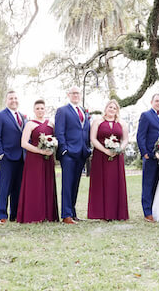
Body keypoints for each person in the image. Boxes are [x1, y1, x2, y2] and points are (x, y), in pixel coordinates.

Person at [16, 99, 59, 223]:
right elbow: (23, 143)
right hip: (34, 158)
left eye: (42, 108)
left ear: (45, 109)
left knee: (47, 183)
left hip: (48, 159)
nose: (40, 110)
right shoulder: (30, 124)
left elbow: (55, 140)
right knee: (35, 185)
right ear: (34, 110)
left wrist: (52, 149)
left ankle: (48, 215)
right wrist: (40, 151)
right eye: (38, 108)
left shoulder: (51, 124)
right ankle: (33, 215)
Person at [55, 86, 92, 224]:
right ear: (68, 94)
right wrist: (64, 149)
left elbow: (86, 130)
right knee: (67, 184)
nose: (76, 95)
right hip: (69, 153)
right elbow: (59, 131)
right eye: (73, 93)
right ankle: (66, 215)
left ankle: (73, 212)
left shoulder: (83, 111)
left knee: (75, 184)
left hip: (82, 152)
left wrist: (88, 148)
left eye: (77, 93)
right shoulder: (62, 111)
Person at [88, 100, 129, 221]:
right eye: (110, 107)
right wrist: (105, 151)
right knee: (100, 182)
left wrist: (119, 149)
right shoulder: (97, 122)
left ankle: (117, 213)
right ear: (105, 108)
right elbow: (93, 139)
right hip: (100, 156)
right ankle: (100, 213)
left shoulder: (122, 123)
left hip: (117, 157)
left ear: (117, 110)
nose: (112, 109)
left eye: (114, 108)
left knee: (115, 182)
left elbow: (125, 139)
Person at [0, 91, 26, 224]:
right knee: (5, 187)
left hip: (21, 157)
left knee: (18, 187)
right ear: (6, 100)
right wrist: (0, 154)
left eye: (16, 98)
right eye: (11, 98)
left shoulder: (22, 116)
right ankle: (2, 215)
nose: (14, 100)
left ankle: (14, 214)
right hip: (6, 157)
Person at [137, 93, 159, 223]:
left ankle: (156, 210)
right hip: (150, 155)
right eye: (157, 101)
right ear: (152, 102)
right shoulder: (146, 115)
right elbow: (140, 136)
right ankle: (147, 212)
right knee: (148, 183)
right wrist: (144, 152)